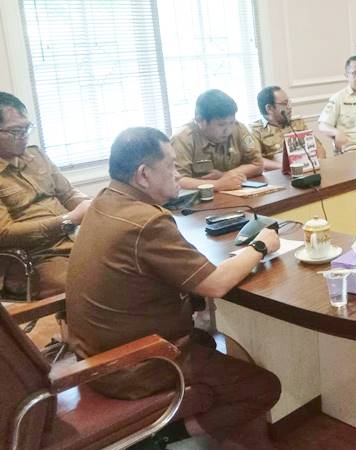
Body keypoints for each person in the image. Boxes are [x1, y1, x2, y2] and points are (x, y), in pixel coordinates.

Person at [66, 127, 282, 449]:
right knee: (264, 387)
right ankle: (161, 437)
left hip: (94, 356)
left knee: (208, 342)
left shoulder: (103, 200)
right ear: (143, 175)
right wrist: (261, 246)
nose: (178, 174)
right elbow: (216, 284)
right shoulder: (146, 223)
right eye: (170, 166)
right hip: (137, 365)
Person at [0, 92, 90, 298]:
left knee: (129, 264)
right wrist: (69, 220)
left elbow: (67, 193)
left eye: (27, 128)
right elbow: (3, 233)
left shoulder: (35, 155)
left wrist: (91, 205)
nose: (23, 135)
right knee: (91, 283)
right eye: (15, 131)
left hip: (74, 240)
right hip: (33, 259)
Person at [172, 89, 263, 191]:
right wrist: (218, 184)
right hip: (200, 201)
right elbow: (177, 181)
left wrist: (225, 175)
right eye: (221, 125)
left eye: (231, 122)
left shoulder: (239, 128)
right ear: (200, 120)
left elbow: (257, 164)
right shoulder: (182, 139)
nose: (228, 130)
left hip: (235, 192)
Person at [251, 85, 326, 172]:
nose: (289, 107)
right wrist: (284, 167)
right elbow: (256, 160)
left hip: (308, 170)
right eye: (284, 104)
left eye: (289, 102)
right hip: (278, 175)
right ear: (269, 109)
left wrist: (318, 162)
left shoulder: (297, 123)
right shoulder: (255, 131)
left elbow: (318, 146)